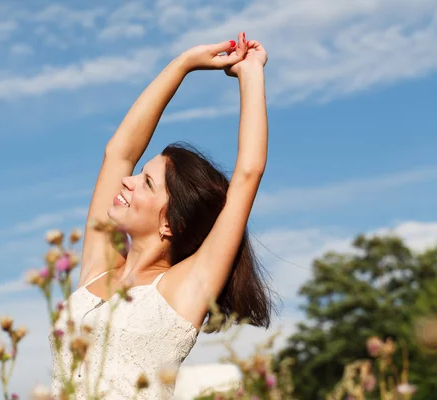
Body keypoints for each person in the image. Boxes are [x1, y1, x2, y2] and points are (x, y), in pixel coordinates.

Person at [49, 32, 272, 399]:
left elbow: (248, 173)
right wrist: (183, 64)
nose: (127, 181)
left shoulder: (183, 289)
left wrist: (251, 73)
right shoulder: (98, 271)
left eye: (147, 182)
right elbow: (119, 153)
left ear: (171, 223)